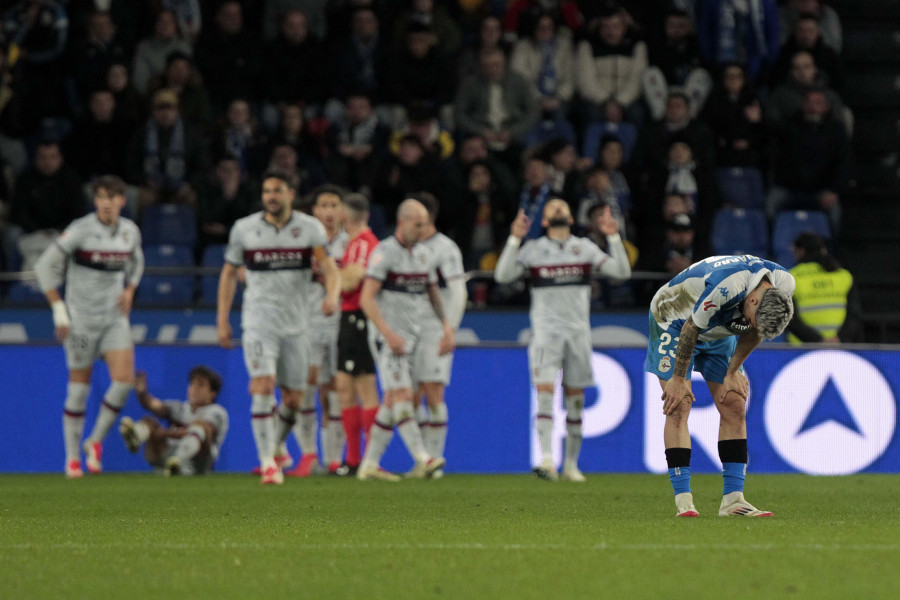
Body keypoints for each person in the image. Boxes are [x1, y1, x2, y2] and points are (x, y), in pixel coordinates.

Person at [646, 254, 795, 517]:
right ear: (752, 300)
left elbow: (755, 329)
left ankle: (733, 500)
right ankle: (684, 501)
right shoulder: (727, 285)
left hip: (717, 326)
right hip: (676, 319)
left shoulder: (784, 286)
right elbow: (691, 328)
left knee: (735, 403)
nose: (750, 324)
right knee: (679, 404)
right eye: (752, 317)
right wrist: (679, 379)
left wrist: (733, 370)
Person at [216, 170, 340, 484]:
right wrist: (222, 319)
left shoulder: (310, 229)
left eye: (277, 191)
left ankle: (274, 447)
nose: (271, 196)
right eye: (267, 191)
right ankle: (268, 462)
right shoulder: (244, 229)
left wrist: (333, 294)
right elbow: (229, 274)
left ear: (290, 194)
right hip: (259, 322)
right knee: (262, 385)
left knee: (294, 399)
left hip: (298, 326)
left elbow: (328, 266)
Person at [494, 198, 631, 481]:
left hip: (578, 334)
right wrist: (514, 239)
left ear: (571, 218)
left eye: (562, 206)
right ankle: (546, 460)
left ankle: (570, 465)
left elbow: (621, 272)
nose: (557, 209)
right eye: (551, 207)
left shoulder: (585, 248)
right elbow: (502, 275)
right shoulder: (533, 250)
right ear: (543, 220)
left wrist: (613, 236)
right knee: (544, 395)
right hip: (545, 334)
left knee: (575, 401)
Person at [33, 175, 144, 478]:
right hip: (80, 322)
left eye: (112, 197)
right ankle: (72, 459)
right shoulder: (81, 230)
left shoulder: (130, 233)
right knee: (78, 392)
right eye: (101, 197)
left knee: (123, 382)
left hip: (113, 320)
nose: (106, 203)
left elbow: (137, 262)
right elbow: (43, 266)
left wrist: (130, 290)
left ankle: (94, 442)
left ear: (122, 200)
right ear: (95, 201)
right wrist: (59, 309)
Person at [356, 198, 453, 481]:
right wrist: (388, 334)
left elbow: (433, 293)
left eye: (425, 224)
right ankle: (422, 458)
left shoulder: (423, 255)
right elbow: (366, 298)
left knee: (391, 404)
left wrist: (446, 325)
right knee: (402, 397)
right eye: (418, 224)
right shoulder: (384, 253)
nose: (423, 230)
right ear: (403, 222)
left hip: (413, 339)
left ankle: (369, 465)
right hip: (389, 340)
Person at [284, 185, 350, 477]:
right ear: (314, 211)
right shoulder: (301, 240)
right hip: (306, 321)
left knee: (336, 389)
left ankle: (335, 459)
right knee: (305, 385)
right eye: (323, 205)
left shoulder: (351, 243)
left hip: (340, 323)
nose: (329, 212)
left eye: (334, 205)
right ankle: (308, 455)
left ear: (342, 211)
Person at [410, 193, 468, 478]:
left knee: (433, 392)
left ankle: (435, 461)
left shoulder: (446, 249)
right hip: (408, 328)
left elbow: (458, 291)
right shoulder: (405, 247)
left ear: (428, 218)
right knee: (408, 398)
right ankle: (425, 459)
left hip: (435, 328)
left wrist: (450, 329)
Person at [334, 193, 380, 476]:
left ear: (346, 215)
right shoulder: (353, 243)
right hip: (348, 318)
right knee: (343, 386)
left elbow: (352, 279)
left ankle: (370, 460)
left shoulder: (363, 244)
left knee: (365, 387)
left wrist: (330, 278)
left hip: (360, 319)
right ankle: (352, 459)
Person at [119, 367, 229, 476]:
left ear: (212, 393)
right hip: (167, 454)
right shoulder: (180, 407)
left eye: (200, 385)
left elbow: (207, 429)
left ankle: (178, 462)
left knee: (200, 430)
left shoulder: (217, 412)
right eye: (192, 384)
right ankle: (135, 437)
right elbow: (154, 405)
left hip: (197, 465)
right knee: (149, 422)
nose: (194, 388)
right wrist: (142, 393)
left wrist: (165, 433)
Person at [786, 232, 860, 344]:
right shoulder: (844, 276)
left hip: (801, 351)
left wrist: (818, 341)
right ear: (823, 251)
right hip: (839, 348)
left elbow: (789, 319)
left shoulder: (791, 277)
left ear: (800, 251)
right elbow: (854, 314)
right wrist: (840, 339)